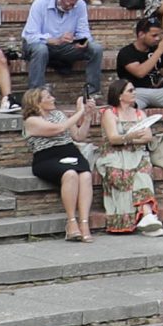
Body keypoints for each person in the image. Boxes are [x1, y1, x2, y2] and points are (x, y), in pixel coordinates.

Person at [22, 88, 99, 241]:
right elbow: (58, 129)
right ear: (37, 102)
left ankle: (84, 223)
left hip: (70, 152)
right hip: (47, 157)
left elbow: (78, 136)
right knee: (70, 174)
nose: (53, 98)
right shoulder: (31, 120)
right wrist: (80, 111)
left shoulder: (59, 114)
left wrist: (88, 116)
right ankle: (71, 223)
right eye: (48, 96)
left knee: (85, 175)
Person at [95, 79, 163, 235]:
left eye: (134, 90)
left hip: (137, 153)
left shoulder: (139, 113)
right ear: (120, 95)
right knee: (122, 174)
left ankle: (147, 216)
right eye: (130, 91)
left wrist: (128, 139)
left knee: (142, 174)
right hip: (114, 155)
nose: (134, 93)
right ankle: (146, 219)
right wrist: (131, 137)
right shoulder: (110, 113)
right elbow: (113, 138)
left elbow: (147, 137)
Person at [24, 0, 103, 97]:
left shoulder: (80, 4)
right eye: (68, 3)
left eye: (73, 4)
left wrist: (83, 41)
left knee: (96, 48)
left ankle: (92, 93)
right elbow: (31, 36)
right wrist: (55, 40)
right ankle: (36, 94)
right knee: (40, 50)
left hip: (66, 46)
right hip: (42, 44)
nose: (70, 7)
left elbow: (84, 32)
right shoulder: (41, 3)